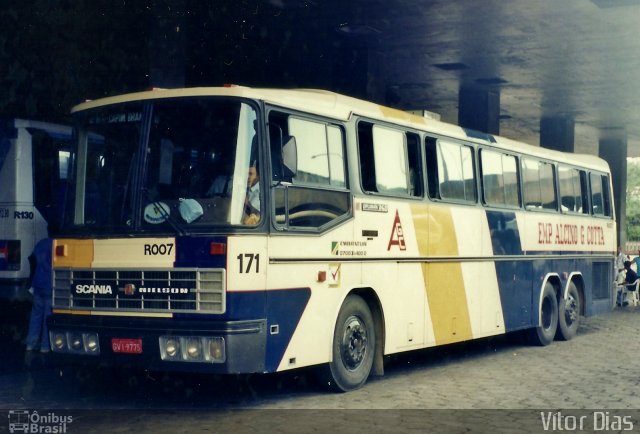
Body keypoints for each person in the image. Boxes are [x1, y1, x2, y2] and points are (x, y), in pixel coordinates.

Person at [25, 237, 53, 353]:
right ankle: (45, 346)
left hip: (38, 283)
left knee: (35, 315)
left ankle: (30, 344)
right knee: (47, 316)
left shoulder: (40, 243)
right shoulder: (55, 243)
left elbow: (32, 259)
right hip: (49, 284)